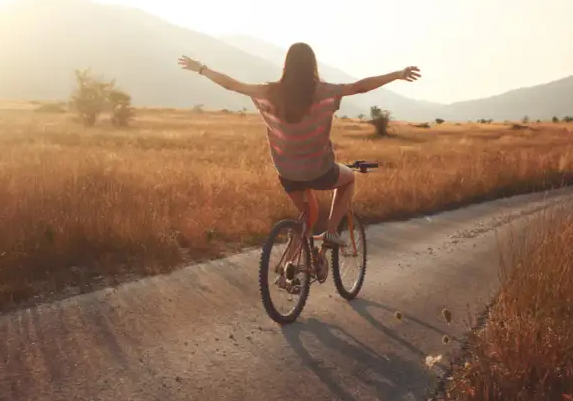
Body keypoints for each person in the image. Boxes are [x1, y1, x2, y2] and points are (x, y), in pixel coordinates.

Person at [177, 42, 421, 247]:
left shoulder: (271, 91)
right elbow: (360, 87)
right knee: (348, 179)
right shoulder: (322, 91)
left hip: (287, 173)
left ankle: (291, 264)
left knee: (308, 214)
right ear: (312, 65)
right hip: (319, 171)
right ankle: (332, 233)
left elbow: (232, 85)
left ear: (287, 65)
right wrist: (397, 74)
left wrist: (201, 69)